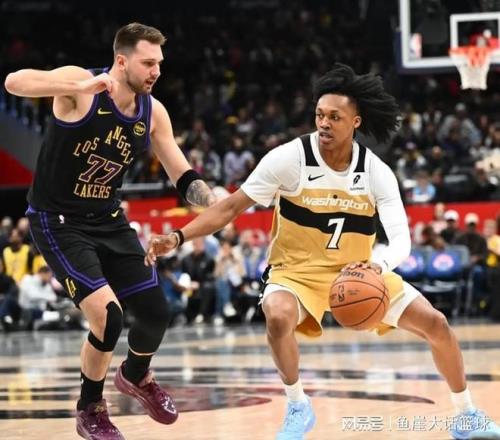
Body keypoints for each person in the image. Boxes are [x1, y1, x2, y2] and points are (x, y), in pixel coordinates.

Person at [145, 64, 500, 440]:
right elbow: (230, 207)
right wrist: (179, 237)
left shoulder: (376, 172)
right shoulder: (289, 158)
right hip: (295, 271)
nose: (324, 123)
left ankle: (466, 414)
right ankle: (298, 405)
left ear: (356, 122)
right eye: (319, 115)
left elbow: (400, 239)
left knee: (437, 325)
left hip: (358, 272)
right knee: (277, 316)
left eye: (335, 117)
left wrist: (378, 265)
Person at [4, 22, 216, 440]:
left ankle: (135, 375)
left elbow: (182, 173)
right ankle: (90, 409)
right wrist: (77, 84)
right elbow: (14, 82)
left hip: (108, 219)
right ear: (122, 61)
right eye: (148, 63)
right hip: (59, 221)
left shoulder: (153, 111)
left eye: (159, 63)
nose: (157, 71)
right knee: (109, 317)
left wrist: (218, 200)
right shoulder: (81, 86)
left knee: (156, 313)